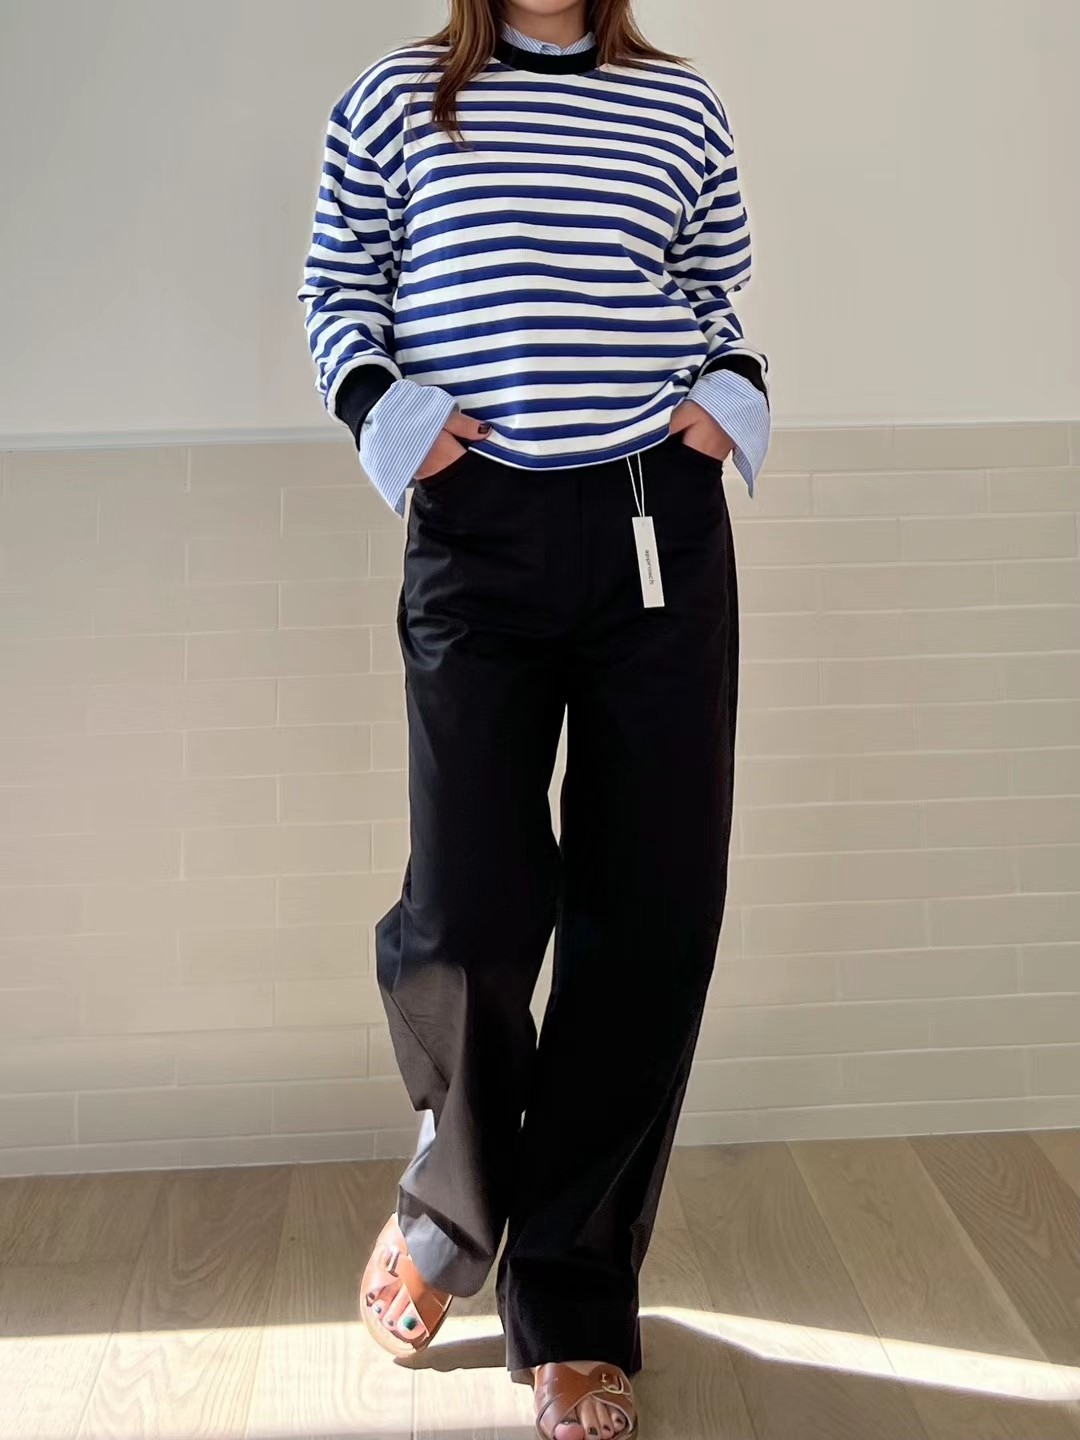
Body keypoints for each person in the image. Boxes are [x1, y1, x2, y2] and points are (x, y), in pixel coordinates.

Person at [298, 2, 770, 1435]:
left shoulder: (678, 104)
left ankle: (573, 1305)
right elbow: (339, 293)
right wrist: (395, 419)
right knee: (468, 911)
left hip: (654, 524)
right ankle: (450, 1213)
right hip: (477, 532)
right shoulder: (395, 100)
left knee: (652, 915)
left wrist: (727, 394)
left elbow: (716, 293)